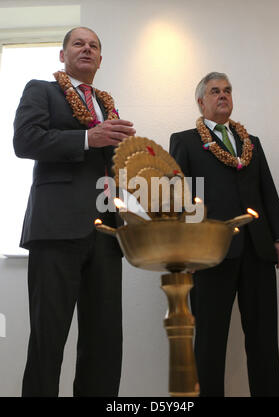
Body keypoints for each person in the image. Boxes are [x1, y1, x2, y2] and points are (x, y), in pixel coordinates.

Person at [13, 27, 135, 397]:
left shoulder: (107, 104)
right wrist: (87, 138)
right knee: (49, 338)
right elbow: (25, 140)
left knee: (105, 341)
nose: (87, 49)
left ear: (100, 59)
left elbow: (108, 168)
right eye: (78, 44)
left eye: (94, 45)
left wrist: (131, 164)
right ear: (62, 55)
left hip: (107, 235)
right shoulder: (41, 90)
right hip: (55, 231)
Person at [169, 72, 279, 397]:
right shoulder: (184, 141)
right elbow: (179, 198)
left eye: (227, 90)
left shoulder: (251, 143)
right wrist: (186, 250)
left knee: (264, 342)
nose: (222, 95)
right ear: (201, 101)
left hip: (257, 251)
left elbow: (267, 191)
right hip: (208, 254)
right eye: (214, 91)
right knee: (209, 343)